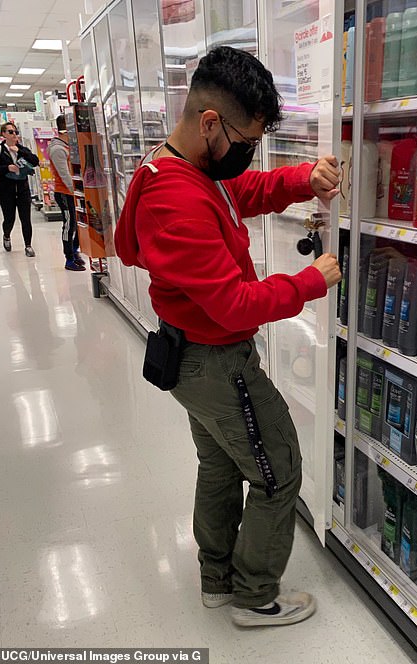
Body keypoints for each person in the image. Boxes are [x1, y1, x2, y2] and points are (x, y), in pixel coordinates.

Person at [115, 46, 341, 628]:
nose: (248, 155)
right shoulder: (176, 200)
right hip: (217, 362)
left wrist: (300, 179)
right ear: (211, 122)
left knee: (218, 467)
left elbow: (240, 194)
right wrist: (309, 283)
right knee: (280, 470)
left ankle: (217, 580)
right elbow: (236, 306)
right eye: (244, 142)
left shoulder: (181, 168)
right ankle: (254, 597)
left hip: (192, 358)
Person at [0, 122, 39, 256]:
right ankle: (6, 235)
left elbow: (35, 161)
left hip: (23, 189)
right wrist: (7, 168)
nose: (14, 135)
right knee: (9, 218)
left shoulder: (22, 149)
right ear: (4, 134)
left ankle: (28, 246)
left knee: (26, 219)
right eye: (11, 132)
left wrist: (20, 151)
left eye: (15, 132)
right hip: (6, 191)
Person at [49, 115, 86, 271]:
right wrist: (76, 192)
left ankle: (74, 250)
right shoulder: (58, 149)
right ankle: (68, 258)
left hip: (74, 193)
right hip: (65, 193)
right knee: (69, 225)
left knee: (78, 224)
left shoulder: (68, 146)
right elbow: (65, 175)